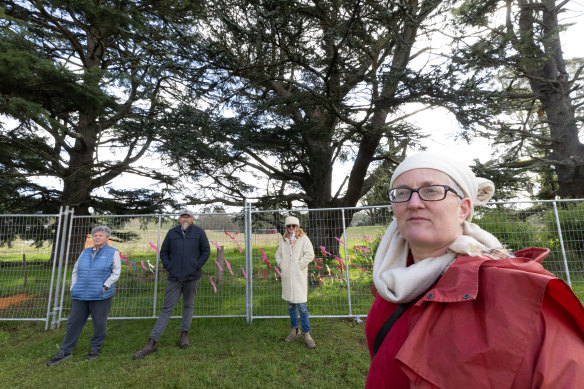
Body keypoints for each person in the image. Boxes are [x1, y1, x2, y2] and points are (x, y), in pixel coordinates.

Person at [365, 151, 584, 388]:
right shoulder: (390, 282)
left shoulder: (519, 293)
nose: (414, 203)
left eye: (431, 191)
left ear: (463, 209)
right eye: (402, 193)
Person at [134, 209, 210, 359]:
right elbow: (164, 252)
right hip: (174, 277)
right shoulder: (172, 233)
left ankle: (184, 335)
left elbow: (206, 251)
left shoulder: (199, 232)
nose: (185, 219)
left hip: (192, 276)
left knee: (188, 306)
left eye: (188, 217)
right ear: (179, 219)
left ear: (192, 219)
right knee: (166, 309)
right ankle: (152, 342)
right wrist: (170, 266)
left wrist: (196, 265)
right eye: (183, 217)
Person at [46, 225, 121, 366]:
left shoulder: (112, 252)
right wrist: (74, 286)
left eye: (100, 235)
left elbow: (116, 272)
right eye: (95, 235)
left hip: (100, 295)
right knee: (73, 323)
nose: (97, 237)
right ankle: (65, 351)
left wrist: (105, 286)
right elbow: (76, 270)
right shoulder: (85, 252)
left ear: (107, 237)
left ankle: (95, 349)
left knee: (99, 323)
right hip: (80, 294)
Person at [275, 216, 316, 349]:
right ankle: (295, 330)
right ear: (286, 227)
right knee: (291, 306)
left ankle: (307, 333)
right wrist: (282, 264)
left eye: (294, 225)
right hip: (287, 278)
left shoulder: (303, 239)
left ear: (297, 226)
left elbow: (310, 254)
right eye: (289, 226)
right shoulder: (284, 240)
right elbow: (278, 254)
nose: (291, 228)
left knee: (302, 308)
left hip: (299, 277)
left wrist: (299, 265)